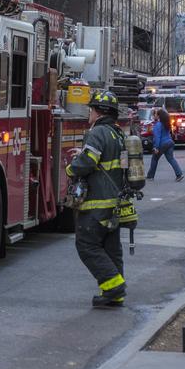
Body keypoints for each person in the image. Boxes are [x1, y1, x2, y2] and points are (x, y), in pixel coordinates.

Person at [67, 89, 129, 308]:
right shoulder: (117, 134)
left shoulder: (96, 133)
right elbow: (104, 159)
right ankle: (115, 295)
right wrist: (82, 153)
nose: (88, 113)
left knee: (87, 245)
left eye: (90, 109)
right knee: (111, 247)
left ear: (98, 111)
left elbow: (88, 163)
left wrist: (71, 168)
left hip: (96, 203)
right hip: (114, 202)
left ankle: (113, 287)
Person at [147, 108, 183, 181]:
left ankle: (150, 176)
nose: (154, 116)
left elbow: (157, 137)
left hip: (162, 144)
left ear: (159, 116)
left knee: (154, 159)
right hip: (170, 143)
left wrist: (156, 147)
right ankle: (179, 174)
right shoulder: (166, 124)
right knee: (171, 159)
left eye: (155, 114)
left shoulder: (158, 125)